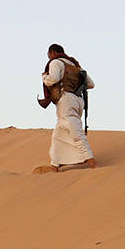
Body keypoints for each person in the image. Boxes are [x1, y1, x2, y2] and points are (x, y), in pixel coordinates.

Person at [35, 44, 97, 173]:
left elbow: (53, 79)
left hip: (66, 100)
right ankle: (54, 166)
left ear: (52, 53)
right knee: (58, 135)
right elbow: (90, 84)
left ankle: (93, 163)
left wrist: (44, 77)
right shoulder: (75, 65)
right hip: (78, 101)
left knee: (76, 133)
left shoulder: (55, 62)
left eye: (48, 55)